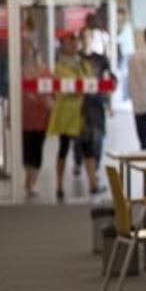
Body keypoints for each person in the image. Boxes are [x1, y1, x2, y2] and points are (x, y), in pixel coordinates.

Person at [48, 34, 93, 202]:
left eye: (75, 42)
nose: (74, 45)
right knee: (64, 148)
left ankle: (93, 183)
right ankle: (59, 185)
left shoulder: (82, 63)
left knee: (87, 147)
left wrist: (82, 85)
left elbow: (89, 82)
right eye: (70, 42)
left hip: (82, 111)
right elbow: (73, 85)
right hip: (67, 112)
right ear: (62, 46)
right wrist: (81, 85)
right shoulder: (60, 66)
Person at [20, 44, 52, 199]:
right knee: (26, 151)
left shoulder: (45, 73)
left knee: (37, 150)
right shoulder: (20, 73)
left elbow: (51, 93)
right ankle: (28, 178)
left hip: (40, 118)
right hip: (25, 119)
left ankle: (32, 182)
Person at [78, 51, 112, 195]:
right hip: (82, 108)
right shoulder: (80, 61)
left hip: (96, 106)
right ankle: (92, 179)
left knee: (96, 140)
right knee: (86, 143)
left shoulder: (103, 59)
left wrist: (109, 103)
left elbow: (109, 80)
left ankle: (93, 178)